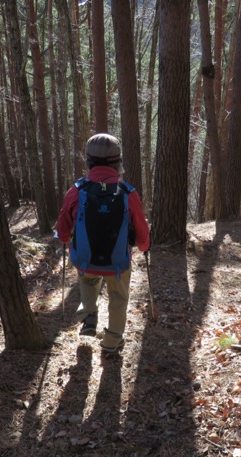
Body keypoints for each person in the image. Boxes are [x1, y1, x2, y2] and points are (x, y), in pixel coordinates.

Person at [57, 133, 150, 355]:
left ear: (89, 160)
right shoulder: (128, 192)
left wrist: (64, 240)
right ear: (118, 161)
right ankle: (111, 342)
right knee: (118, 297)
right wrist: (145, 247)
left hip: (85, 260)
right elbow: (141, 229)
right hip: (118, 262)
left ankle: (89, 314)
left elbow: (62, 228)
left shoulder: (77, 190)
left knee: (88, 281)